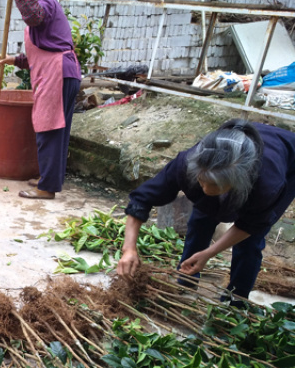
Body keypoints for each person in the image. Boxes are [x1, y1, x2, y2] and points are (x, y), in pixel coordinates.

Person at [117, 120, 295, 304]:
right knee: (201, 220)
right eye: (202, 181)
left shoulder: (267, 184)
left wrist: (209, 253)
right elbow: (142, 198)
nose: (206, 190)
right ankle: (186, 280)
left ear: (239, 181)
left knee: (250, 243)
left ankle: (236, 299)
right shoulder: (186, 164)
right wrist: (129, 248)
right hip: (230, 151)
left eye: (215, 185)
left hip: (288, 159)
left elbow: (250, 226)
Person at [0, 0, 81, 200]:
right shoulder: (47, 8)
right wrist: (14, 60)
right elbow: (41, 52)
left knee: (50, 129)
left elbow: (32, 15)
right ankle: (50, 179)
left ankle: (47, 187)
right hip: (61, 72)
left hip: (57, 75)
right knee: (56, 131)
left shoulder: (46, 4)